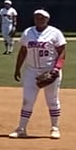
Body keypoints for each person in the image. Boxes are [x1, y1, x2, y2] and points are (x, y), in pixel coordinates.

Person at [9, 8, 65, 139]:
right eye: (36, 17)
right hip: (31, 71)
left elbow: (62, 52)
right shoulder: (28, 32)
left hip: (50, 70)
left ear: (47, 19)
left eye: (41, 18)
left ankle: (55, 128)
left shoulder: (55, 33)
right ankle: (21, 129)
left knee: (52, 101)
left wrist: (56, 69)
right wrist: (17, 68)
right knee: (27, 101)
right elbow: (23, 51)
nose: (39, 20)